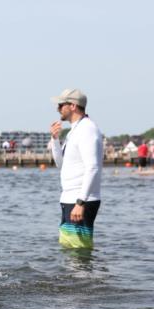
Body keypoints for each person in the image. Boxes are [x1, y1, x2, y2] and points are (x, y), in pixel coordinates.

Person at [49, 89, 103, 249]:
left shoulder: (87, 129)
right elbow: (61, 164)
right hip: (69, 198)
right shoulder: (75, 130)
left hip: (80, 200)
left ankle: (86, 275)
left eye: (61, 105)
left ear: (72, 106)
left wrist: (80, 202)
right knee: (69, 250)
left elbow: (92, 167)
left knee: (79, 253)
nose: (57, 109)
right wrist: (55, 139)